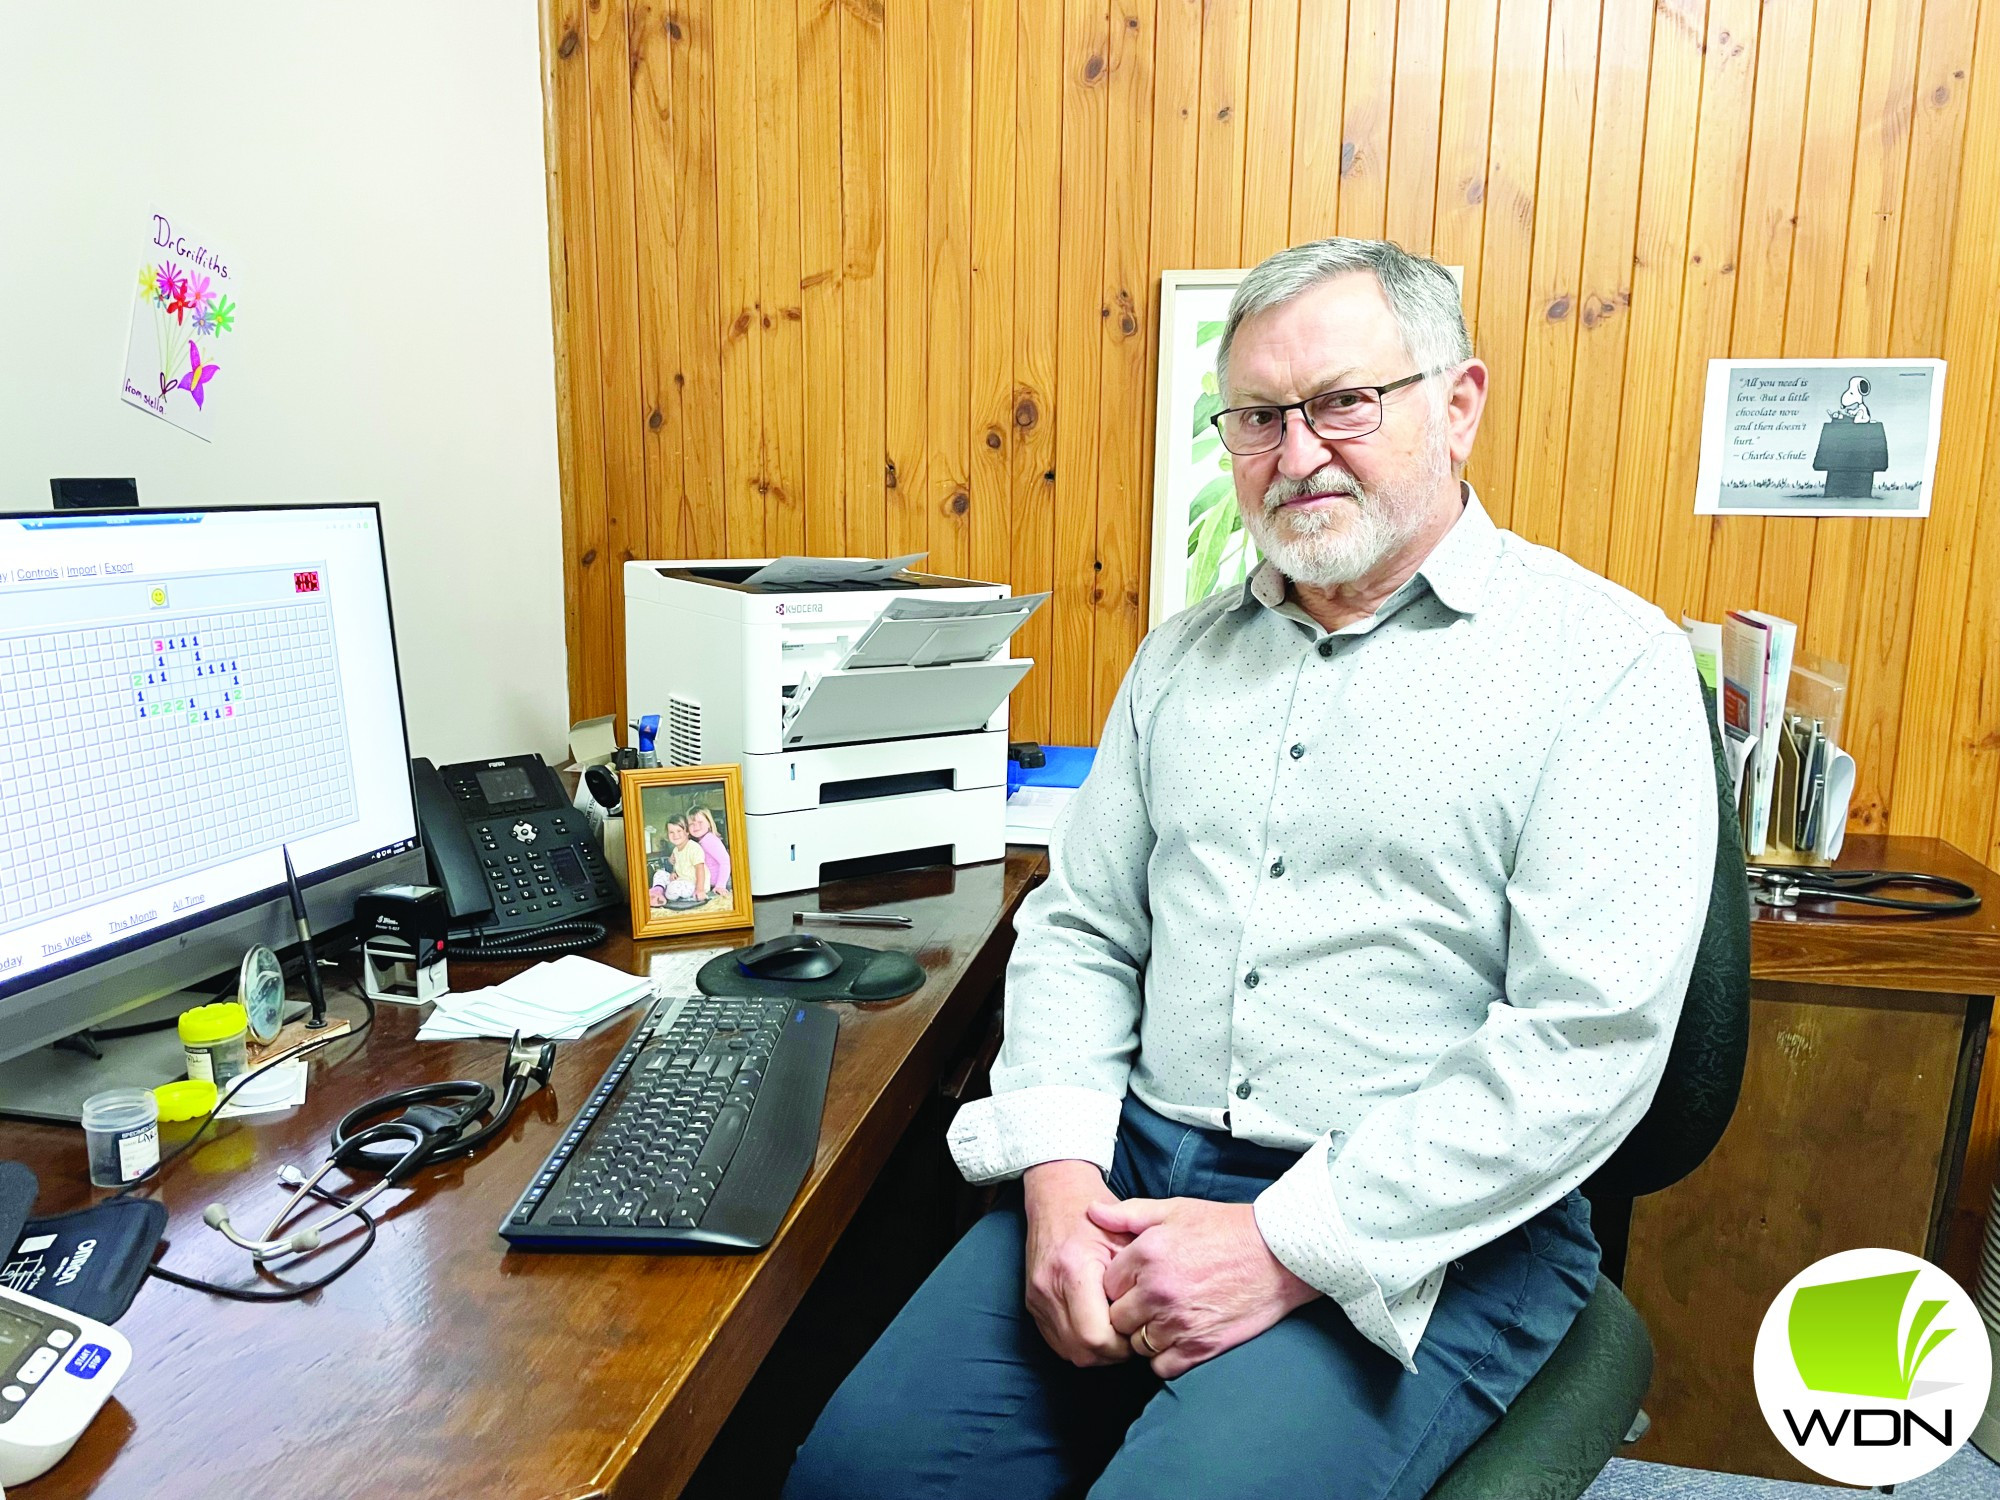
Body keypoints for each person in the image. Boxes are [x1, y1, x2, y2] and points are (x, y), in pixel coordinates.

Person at [784, 237, 1716, 1500]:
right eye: (1259, 417)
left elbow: (1583, 1041)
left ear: (1457, 405)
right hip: (1129, 1174)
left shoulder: (1602, 664)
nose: (1297, 452)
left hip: (1426, 1228)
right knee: (859, 1474)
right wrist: (1056, 1180)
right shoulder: (1178, 661)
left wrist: (1281, 1245)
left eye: (1343, 402)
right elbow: (1080, 933)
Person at [650, 816, 705, 905]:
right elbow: (678, 866)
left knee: (673, 888)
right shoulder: (676, 850)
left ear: (687, 832)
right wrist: (673, 873)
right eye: (671, 832)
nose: (675, 835)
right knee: (660, 873)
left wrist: (700, 889)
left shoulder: (694, 848)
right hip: (681, 880)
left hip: (693, 884)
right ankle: (657, 891)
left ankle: (662, 897)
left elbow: (700, 869)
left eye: (679, 831)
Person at [687, 806, 731, 899]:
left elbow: (725, 862)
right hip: (712, 884)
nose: (696, 826)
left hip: (718, 884)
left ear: (709, 823)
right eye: (691, 824)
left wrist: (720, 885)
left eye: (700, 822)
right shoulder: (701, 841)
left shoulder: (709, 840)